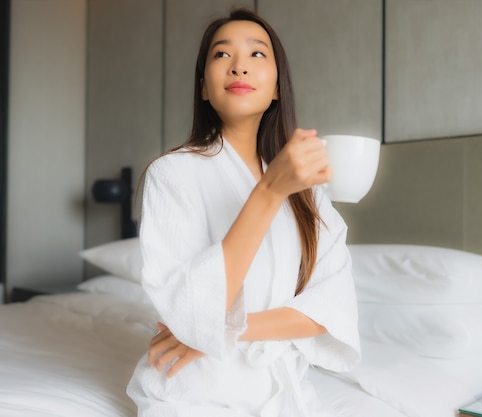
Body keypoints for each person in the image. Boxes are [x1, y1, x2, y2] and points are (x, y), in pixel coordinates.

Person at [127, 8, 360, 417]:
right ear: (203, 87)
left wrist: (219, 329)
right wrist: (269, 192)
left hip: (283, 395)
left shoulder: (307, 192)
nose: (239, 66)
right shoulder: (172, 173)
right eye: (221, 55)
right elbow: (189, 307)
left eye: (257, 54)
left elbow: (331, 307)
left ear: (275, 88)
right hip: (192, 390)